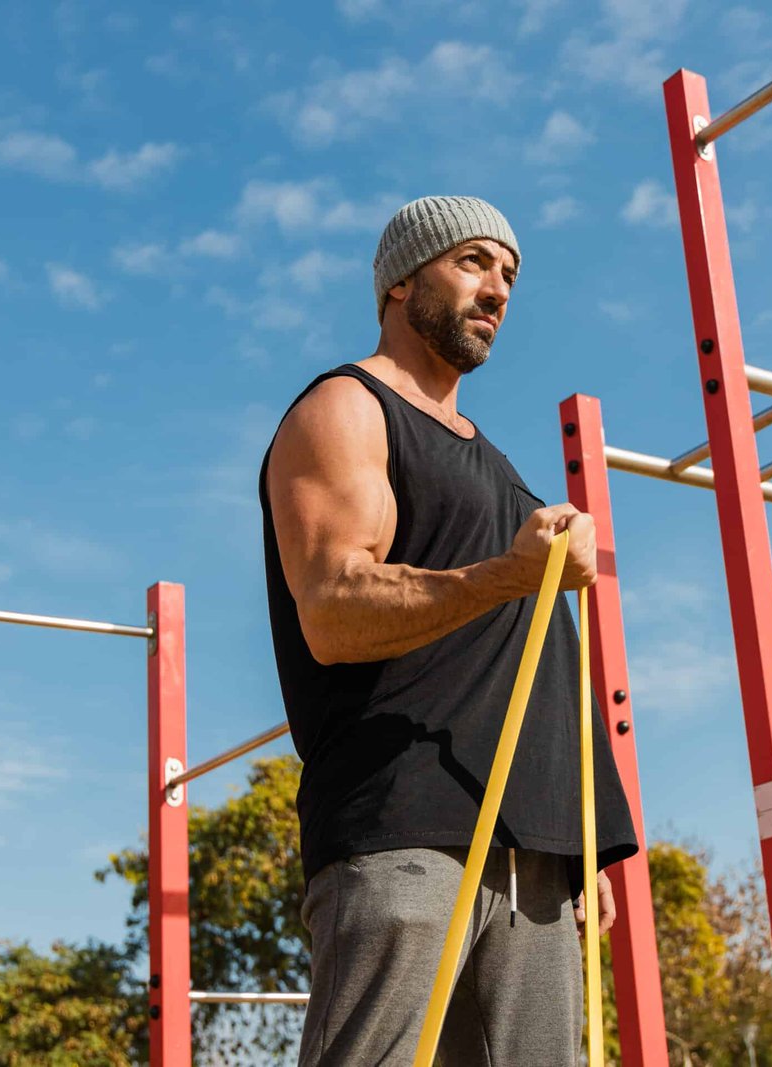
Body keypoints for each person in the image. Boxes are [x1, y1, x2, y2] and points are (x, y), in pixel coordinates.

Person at [259, 195, 640, 1066]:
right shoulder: (345, 408)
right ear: (401, 280)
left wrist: (587, 839)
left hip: (535, 851)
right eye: (473, 261)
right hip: (404, 829)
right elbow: (333, 607)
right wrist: (504, 573)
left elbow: (539, 655)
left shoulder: (501, 470)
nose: (498, 287)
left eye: (509, 274)